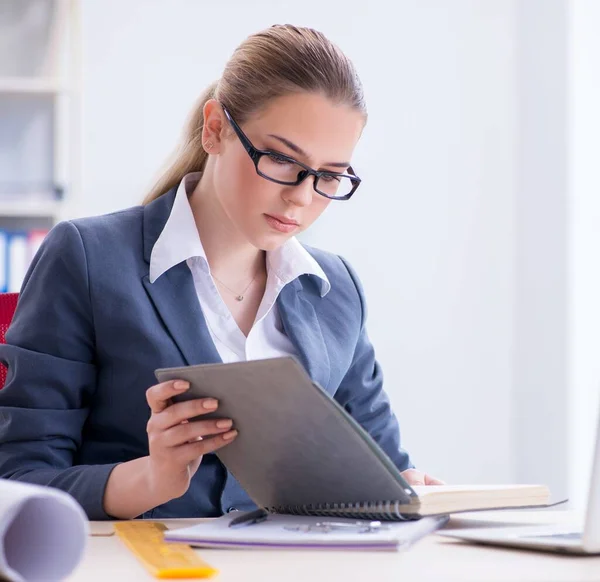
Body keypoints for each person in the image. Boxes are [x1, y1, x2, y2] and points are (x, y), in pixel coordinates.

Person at [0, 24, 443, 521]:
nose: (301, 195)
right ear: (214, 129)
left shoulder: (335, 289)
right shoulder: (88, 258)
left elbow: (384, 472)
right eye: (280, 159)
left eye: (330, 176)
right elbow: (18, 481)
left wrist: (400, 491)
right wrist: (149, 478)